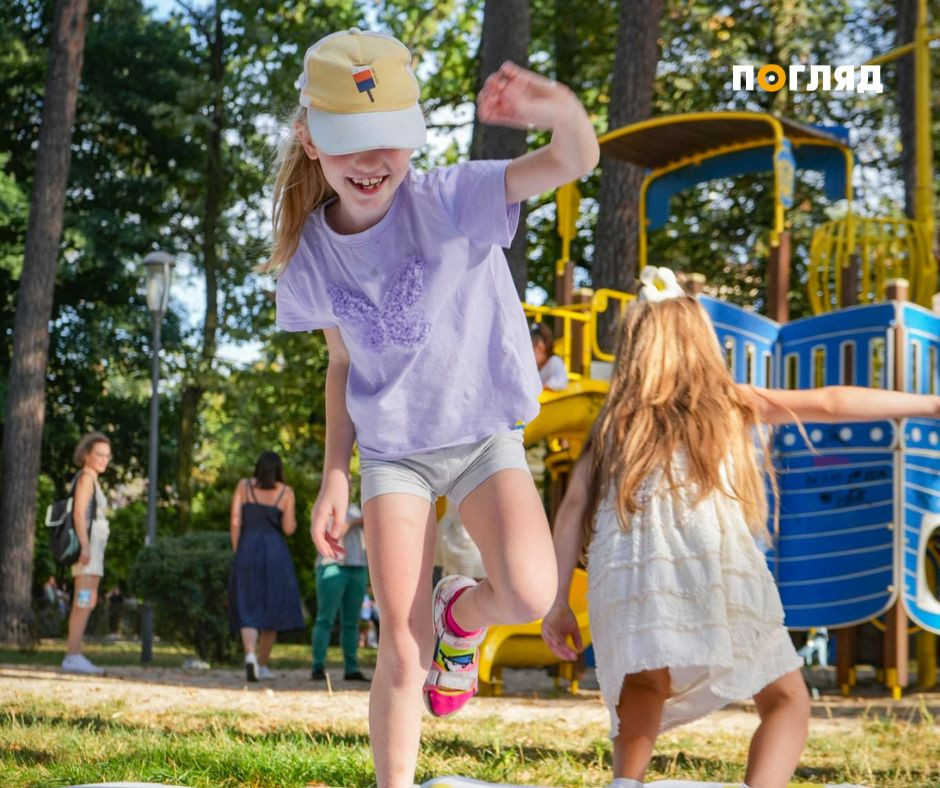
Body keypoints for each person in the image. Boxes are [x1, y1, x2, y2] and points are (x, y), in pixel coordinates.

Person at [265, 27, 598, 786]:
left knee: (529, 591)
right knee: (403, 648)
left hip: (482, 434)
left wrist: (563, 109)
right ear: (311, 140)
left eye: (387, 139)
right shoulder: (314, 257)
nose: (370, 161)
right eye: (349, 141)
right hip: (393, 454)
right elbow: (343, 364)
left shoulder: (453, 199)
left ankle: (463, 616)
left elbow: (573, 159)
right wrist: (334, 475)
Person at [540, 269, 940, 788]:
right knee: (785, 699)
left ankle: (626, 784)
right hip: (715, 566)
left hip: (631, 574)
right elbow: (831, 402)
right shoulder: (726, 402)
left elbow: (572, 509)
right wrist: (930, 404)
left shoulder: (616, 423)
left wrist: (556, 602)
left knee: (644, 683)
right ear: (702, 345)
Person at [229, 451, 304, 682]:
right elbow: (289, 528)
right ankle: (262, 665)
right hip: (275, 552)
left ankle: (250, 655)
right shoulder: (286, 492)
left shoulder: (244, 486)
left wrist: (237, 551)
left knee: (248, 605)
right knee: (273, 606)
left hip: (248, 548)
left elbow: (234, 519)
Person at [61, 432, 112, 675]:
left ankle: (75, 652)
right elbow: (79, 514)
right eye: (99, 454)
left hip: (94, 550)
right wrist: (85, 547)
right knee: (82, 600)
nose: (104, 460)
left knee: (88, 600)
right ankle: (72, 655)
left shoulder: (93, 478)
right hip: (88, 550)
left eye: (107, 456)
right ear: (86, 455)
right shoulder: (86, 479)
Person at [311, 502, 371, 682]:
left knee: (352, 622)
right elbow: (331, 534)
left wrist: (355, 521)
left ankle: (351, 668)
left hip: (358, 567)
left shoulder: (356, 507)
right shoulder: (323, 506)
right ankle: (318, 666)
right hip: (332, 566)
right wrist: (354, 522)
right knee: (325, 619)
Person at [531, 322, 569, 391]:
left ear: (541, 347)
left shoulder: (554, 361)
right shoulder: (537, 368)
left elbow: (561, 381)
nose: (530, 355)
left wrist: (542, 387)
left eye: (532, 349)